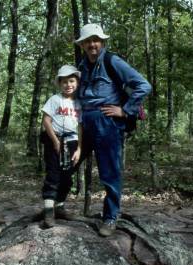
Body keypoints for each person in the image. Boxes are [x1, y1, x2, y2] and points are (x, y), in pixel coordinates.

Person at [75, 23, 152, 237]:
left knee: (109, 173)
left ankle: (110, 217)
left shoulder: (112, 61)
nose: (92, 44)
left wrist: (125, 110)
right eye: (88, 41)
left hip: (107, 124)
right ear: (82, 44)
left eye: (96, 40)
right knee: (66, 161)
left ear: (102, 42)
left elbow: (144, 85)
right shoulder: (81, 67)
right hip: (83, 124)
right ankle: (56, 205)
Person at [41, 65, 82, 228]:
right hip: (54, 140)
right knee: (53, 174)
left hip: (72, 142)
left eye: (71, 81)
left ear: (77, 82)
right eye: (64, 82)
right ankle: (48, 212)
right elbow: (46, 120)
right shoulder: (55, 99)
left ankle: (59, 207)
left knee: (67, 176)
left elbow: (80, 127)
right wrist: (55, 141)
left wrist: (79, 148)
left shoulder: (79, 103)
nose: (68, 85)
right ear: (59, 83)